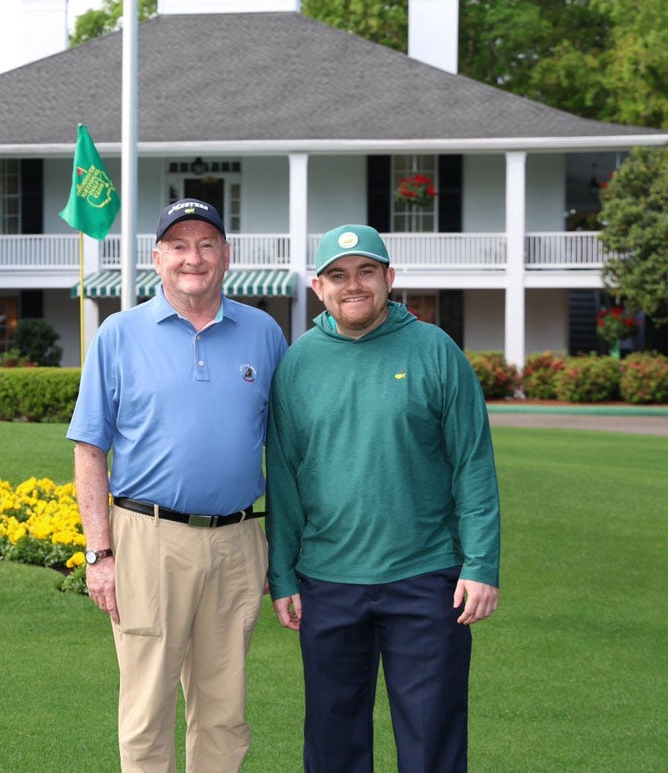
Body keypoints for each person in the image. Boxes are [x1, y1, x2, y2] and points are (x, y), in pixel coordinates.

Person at [266, 224, 501, 772]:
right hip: (327, 581)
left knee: (431, 741)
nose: (354, 285)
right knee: (332, 744)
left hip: (424, 578)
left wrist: (482, 564)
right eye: (339, 275)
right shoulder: (298, 364)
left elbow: (473, 464)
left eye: (366, 272)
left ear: (389, 278)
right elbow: (284, 477)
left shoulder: (434, 350)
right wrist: (282, 576)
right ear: (319, 286)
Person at [68, 198, 288, 772]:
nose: (194, 257)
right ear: (157, 257)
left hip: (238, 541)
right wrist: (99, 553)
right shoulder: (118, 334)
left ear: (226, 255)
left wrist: (284, 555)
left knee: (224, 712)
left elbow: (287, 452)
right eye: (180, 245)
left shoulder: (264, 333)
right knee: (146, 713)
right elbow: (90, 452)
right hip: (147, 537)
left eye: (207, 244)